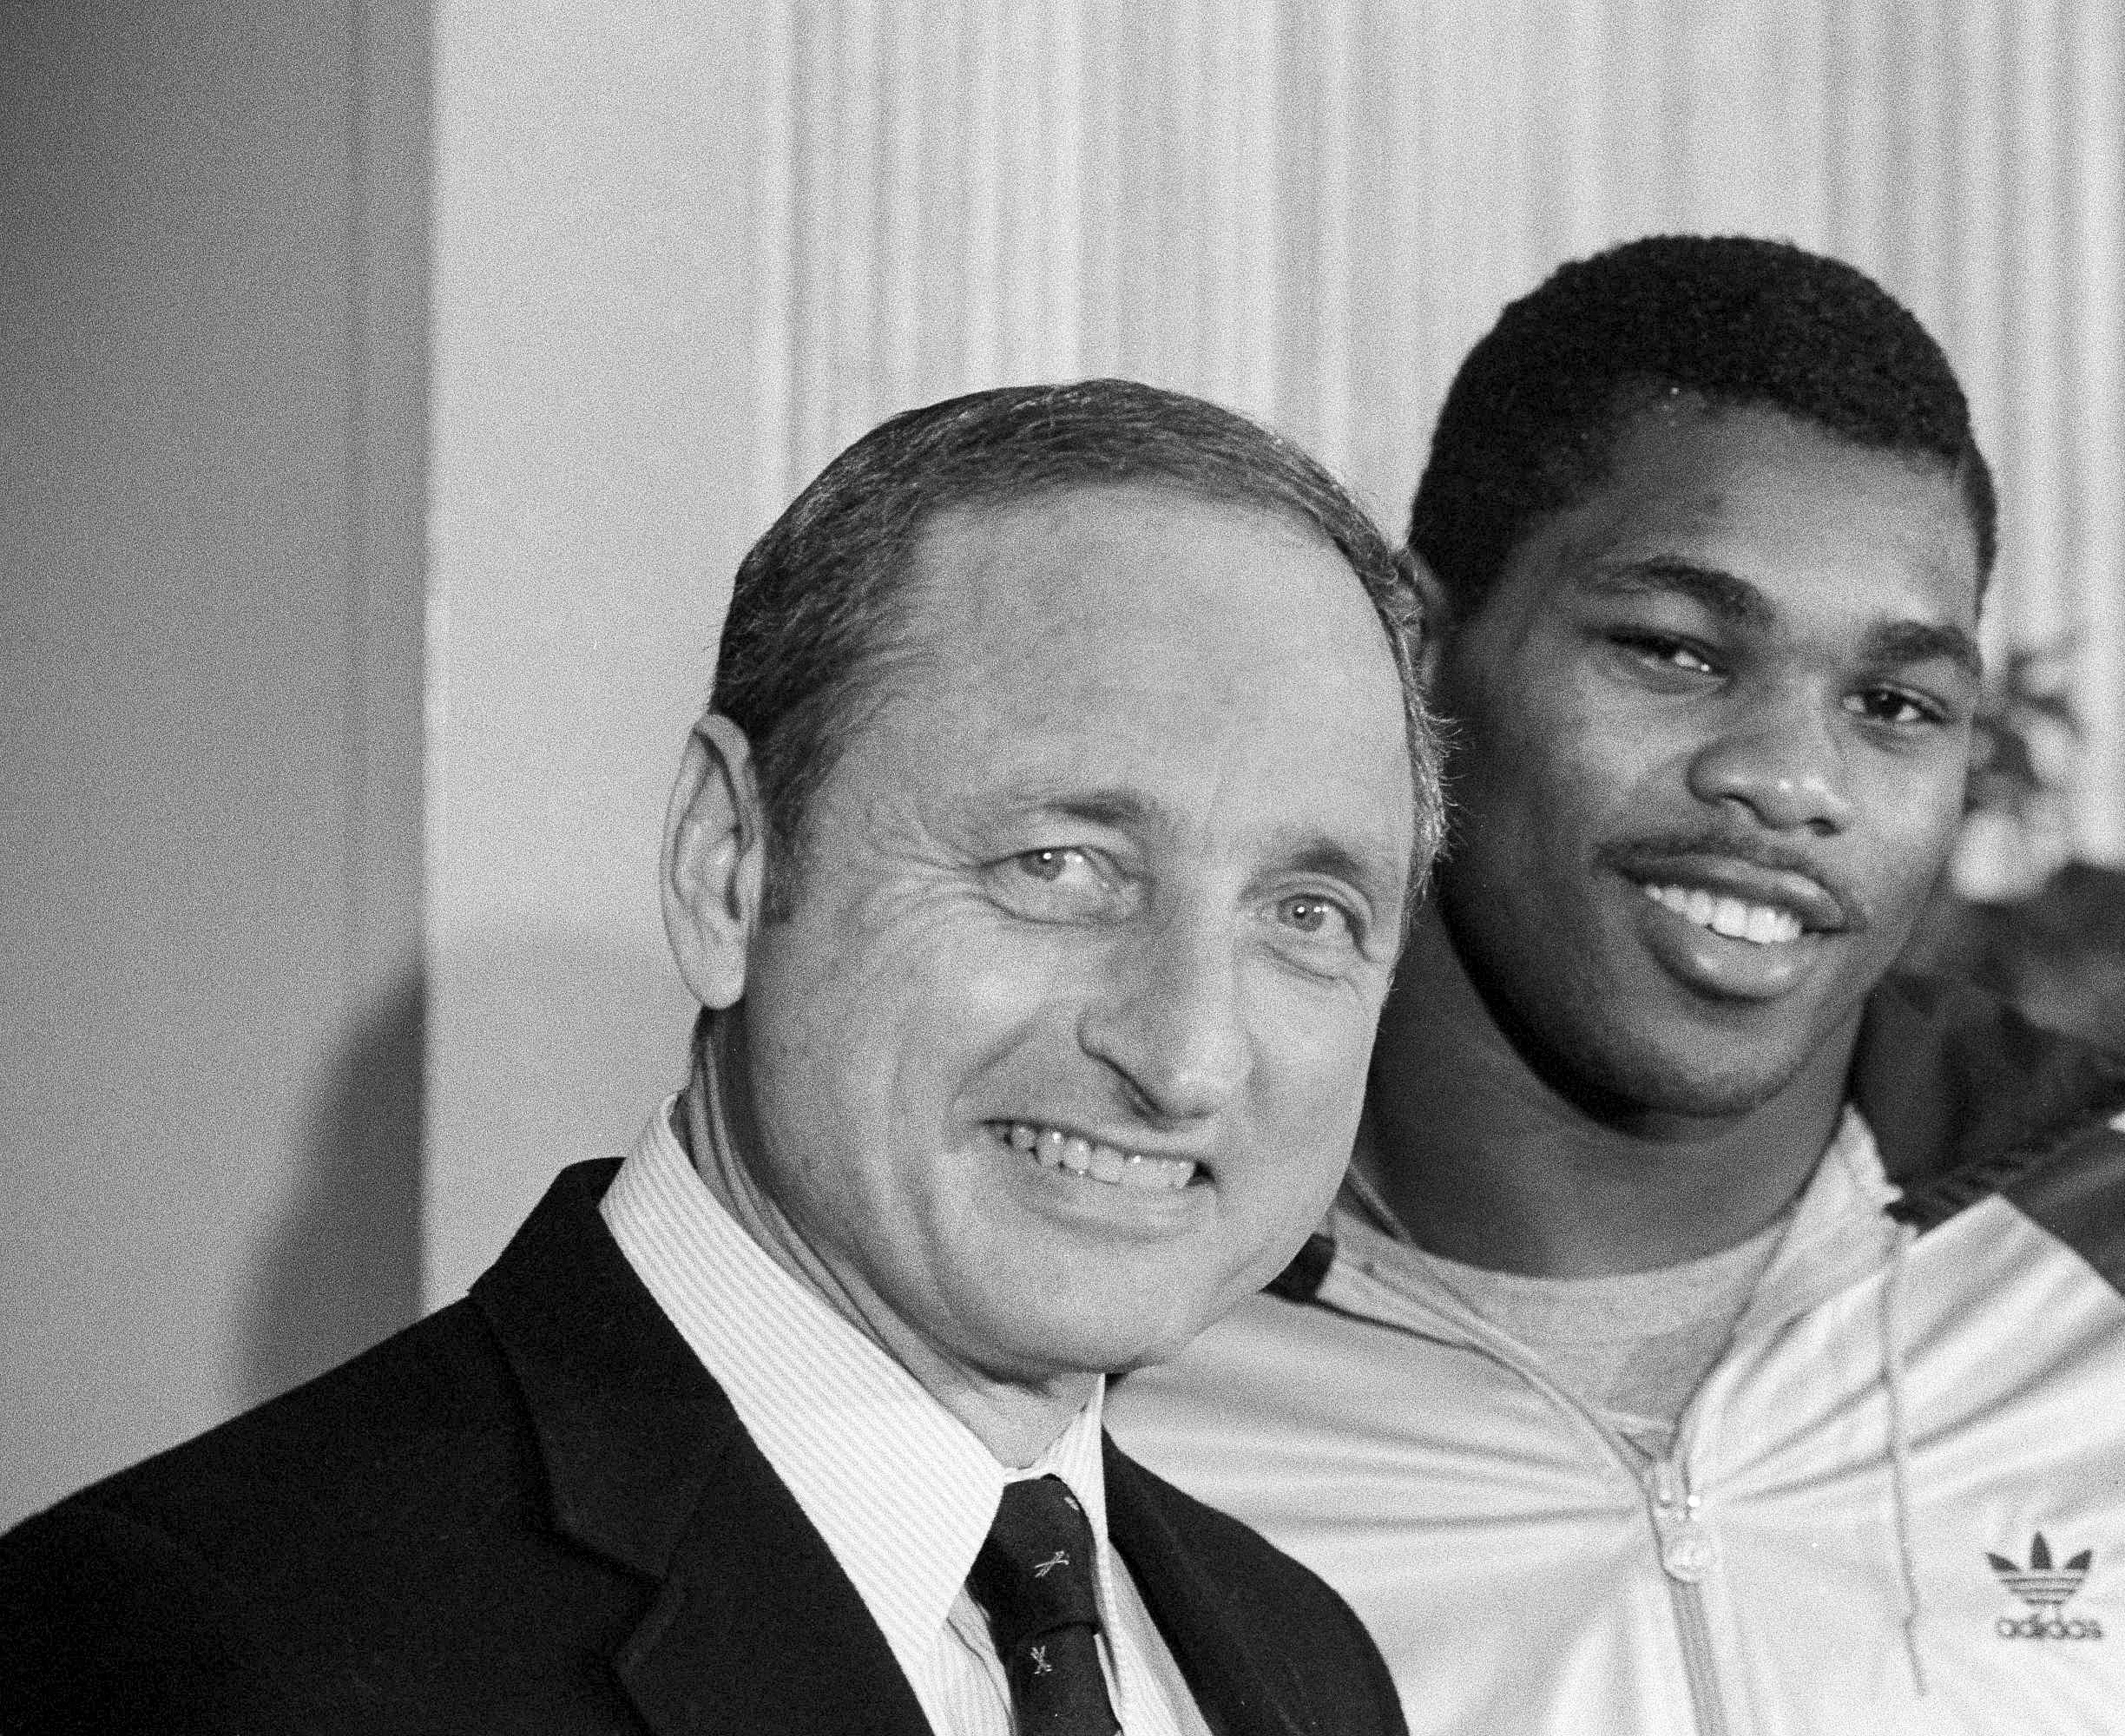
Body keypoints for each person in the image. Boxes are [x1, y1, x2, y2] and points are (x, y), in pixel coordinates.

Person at [1111, 238, 2125, 1735]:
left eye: (1894, 704)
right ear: (1417, 652)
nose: (1791, 781)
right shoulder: (1115, 1293)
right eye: (1670, 651)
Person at [0, 379, 1441, 1735]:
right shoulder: (205, 1651)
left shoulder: (1297, 1656)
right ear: (730, 865)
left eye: (1307, 913)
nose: (1185, 1052)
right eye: (1057, 864)